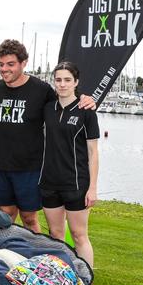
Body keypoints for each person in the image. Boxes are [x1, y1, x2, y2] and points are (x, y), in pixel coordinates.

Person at [0, 40, 96, 233]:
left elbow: (65, 103)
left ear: (23, 63)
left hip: (30, 167)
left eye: (10, 64)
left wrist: (85, 98)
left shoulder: (41, 90)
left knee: (29, 218)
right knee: (6, 216)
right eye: (1, 64)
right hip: (0, 167)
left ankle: (35, 256)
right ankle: (11, 257)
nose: (4, 69)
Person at [39, 61, 99, 267]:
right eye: (58, 80)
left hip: (76, 183)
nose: (62, 84)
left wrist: (92, 188)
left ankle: (86, 280)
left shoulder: (86, 111)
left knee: (78, 234)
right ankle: (60, 276)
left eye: (67, 80)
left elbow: (93, 152)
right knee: (56, 234)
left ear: (76, 82)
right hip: (49, 182)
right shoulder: (47, 108)